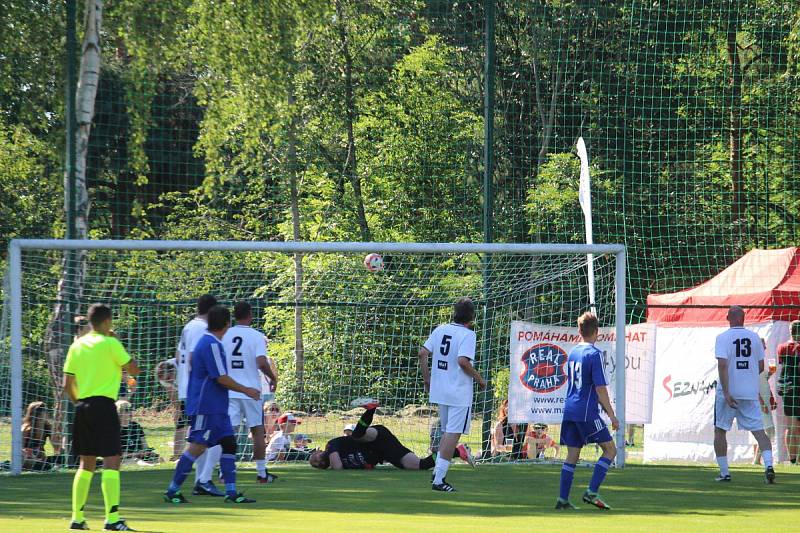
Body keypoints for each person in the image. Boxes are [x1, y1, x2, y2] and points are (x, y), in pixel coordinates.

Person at [163, 305, 261, 505]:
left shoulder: (208, 342)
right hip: (206, 407)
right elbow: (221, 378)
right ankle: (173, 490)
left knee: (229, 443)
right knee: (197, 447)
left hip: (217, 407)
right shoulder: (211, 344)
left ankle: (231, 492)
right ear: (226, 323)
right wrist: (247, 390)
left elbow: (193, 362)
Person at [63, 303, 141, 531]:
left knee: (85, 464)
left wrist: (79, 403)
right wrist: (117, 343)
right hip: (105, 407)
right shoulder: (111, 343)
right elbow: (134, 370)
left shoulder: (76, 346)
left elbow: (67, 384)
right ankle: (112, 519)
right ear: (107, 322)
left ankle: (77, 518)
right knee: (111, 462)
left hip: (83, 407)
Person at [198, 300, 277, 484]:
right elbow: (261, 362)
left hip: (229, 390)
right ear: (250, 314)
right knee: (258, 431)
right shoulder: (256, 336)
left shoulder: (225, 334)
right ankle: (261, 473)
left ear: (234, 315)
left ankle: (223, 472)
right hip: (251, 391)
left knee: (227, 432)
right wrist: (272, 377)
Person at [555, 311, 619, 511]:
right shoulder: (594, 354)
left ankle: (562, 499)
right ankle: (591, 492)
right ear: (597, 332)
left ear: (579, 330)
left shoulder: (573, 352)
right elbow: (600, 389)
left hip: (570, 409)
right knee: (610, 450)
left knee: (572, 454)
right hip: (586, 412)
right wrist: (612, 415)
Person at [418, 297, 483, 492]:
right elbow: (463, 361)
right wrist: (479, 379)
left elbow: (422, 353)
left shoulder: (440, 329)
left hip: (440, 389)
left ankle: (438, 471)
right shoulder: (468, 334)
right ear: (471, 318)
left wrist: (427, 379)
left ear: (454, 313)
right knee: (451, 435)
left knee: (447, 433)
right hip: (458, 392)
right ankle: (439, 480)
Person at [713, 306, 775, 484]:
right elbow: (761, 366)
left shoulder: (722, 337)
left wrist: (726, 392)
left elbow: (723, 365)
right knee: (759, 432)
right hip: (749, 391)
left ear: (727, 317)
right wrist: (747, 379)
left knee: (720, 430)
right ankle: (769, 466)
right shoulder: (755, 337)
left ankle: (725, 473)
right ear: (743, 318)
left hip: (728, 392)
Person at [176, 294, 224, 496]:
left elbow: (179, 357)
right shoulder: (200, 329)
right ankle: (196, 481)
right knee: (217, 436)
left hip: (189, 390)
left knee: (203, 438)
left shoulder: (189, 326)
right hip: (200, 392)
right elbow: (196, 359)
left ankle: (201, 481)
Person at [309, 401, 439, 471]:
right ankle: (455, 451)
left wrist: (332, 467)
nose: (317, 462)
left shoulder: (331, 446)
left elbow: (337, 467)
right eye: (316, 465)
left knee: (357, 435)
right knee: (419, 466)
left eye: (314, 458)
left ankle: (371, 409)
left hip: (374, 437)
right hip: (385, 450)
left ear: (318, 450)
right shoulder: (347, 465)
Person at [777, 320, 800, 464]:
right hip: (797, 387)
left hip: (788, 388)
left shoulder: (782, 347)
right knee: (796, 427)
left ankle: (792, 460)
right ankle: (798, 460)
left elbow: (782, 366)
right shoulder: (797, 348)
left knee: (790, 426)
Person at [753, 338, 777, 465]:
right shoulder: (754, 362)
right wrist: (761, 403)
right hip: (760, 402)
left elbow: (761, 378)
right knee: (767, 431)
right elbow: (752, 384)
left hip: (764, 400)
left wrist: (770, 373)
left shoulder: (759, 361)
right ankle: (756, 460)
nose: (766, 348)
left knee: (758, 429)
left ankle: (756, 460)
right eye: (764, 346)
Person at [115, 400, 159, 465]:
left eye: (131, 409)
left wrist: (146, 451)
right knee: (137, 461)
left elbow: (145, 445)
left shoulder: (136, 425)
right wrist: (136, 454)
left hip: (140, 456)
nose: (130, 412)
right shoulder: (114, 429)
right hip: (126, 459)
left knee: (159, 459)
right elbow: (117, 455)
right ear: (119, 412)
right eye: (127, 410)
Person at [155, 358, 181, 459]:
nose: (169, 381)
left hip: (196, 392)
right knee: (180, 422)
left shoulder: (184, 369)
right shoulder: (162, 375)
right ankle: (177, 455)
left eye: (169, 378)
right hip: (183, 394)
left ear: (173, 371)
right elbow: (171, 391)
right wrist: (177, 408)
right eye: (166, 380)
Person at [21, 401, 59, 471]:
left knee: (59, 458)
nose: (46, 412)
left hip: (40, 457)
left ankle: (43, 466)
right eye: (43, 410)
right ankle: (42, 466)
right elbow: (19, 449)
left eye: (46, 410)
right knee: (28, 460)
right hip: (28, 458)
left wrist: (54, 431)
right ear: (35, 413)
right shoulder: (26, 429)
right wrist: (30, 455)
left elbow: (57, 448)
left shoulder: (47, 427)